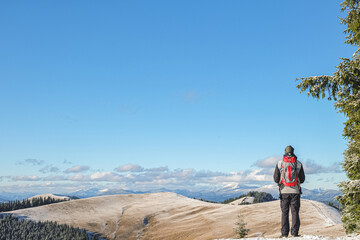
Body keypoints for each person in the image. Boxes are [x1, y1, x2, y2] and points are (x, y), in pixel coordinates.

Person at [273, 145, 305, 237]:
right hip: (295, 192)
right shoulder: (298, 163)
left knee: (284, 213)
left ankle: (284, 234)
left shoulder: (279, 163)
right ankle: (294, 233)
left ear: (285, 152)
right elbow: (302, 179)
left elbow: (276, 179)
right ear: (293, 152)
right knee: (295, 213)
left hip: (283, 191)